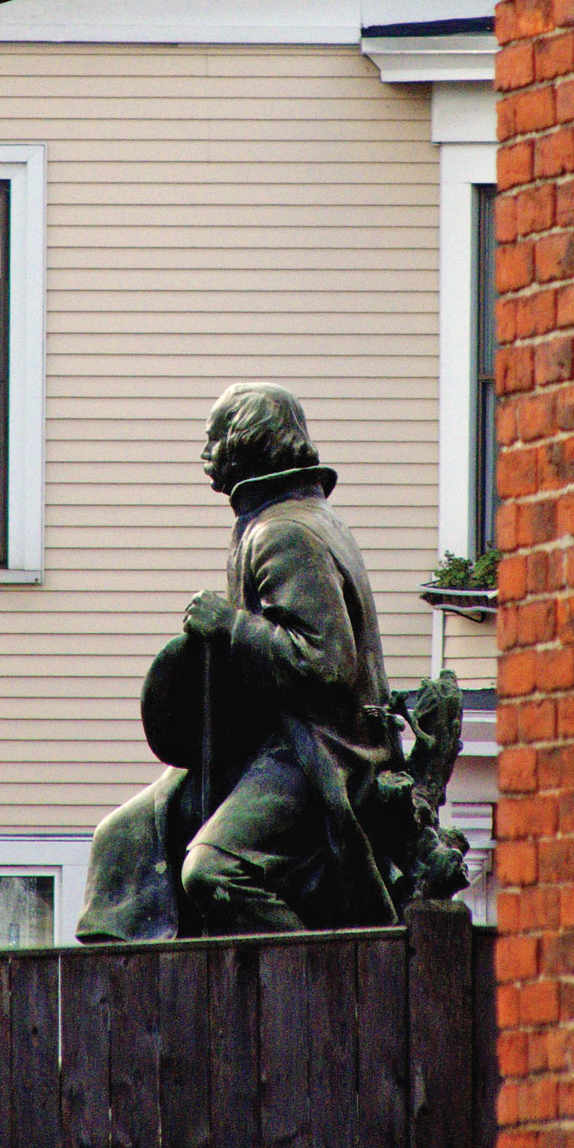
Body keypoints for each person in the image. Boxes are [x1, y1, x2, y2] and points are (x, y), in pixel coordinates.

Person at [77, 383, 398, 939]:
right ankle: (130, 981)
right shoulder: (280, 519)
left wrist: (230, 625)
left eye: (214, 440)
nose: (205, 457)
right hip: (265, 739)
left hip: (319, 751)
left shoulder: (285, 532)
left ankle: (312, 981)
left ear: (247, 445)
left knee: (213, 871)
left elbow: (326, 664)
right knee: (124, 833)